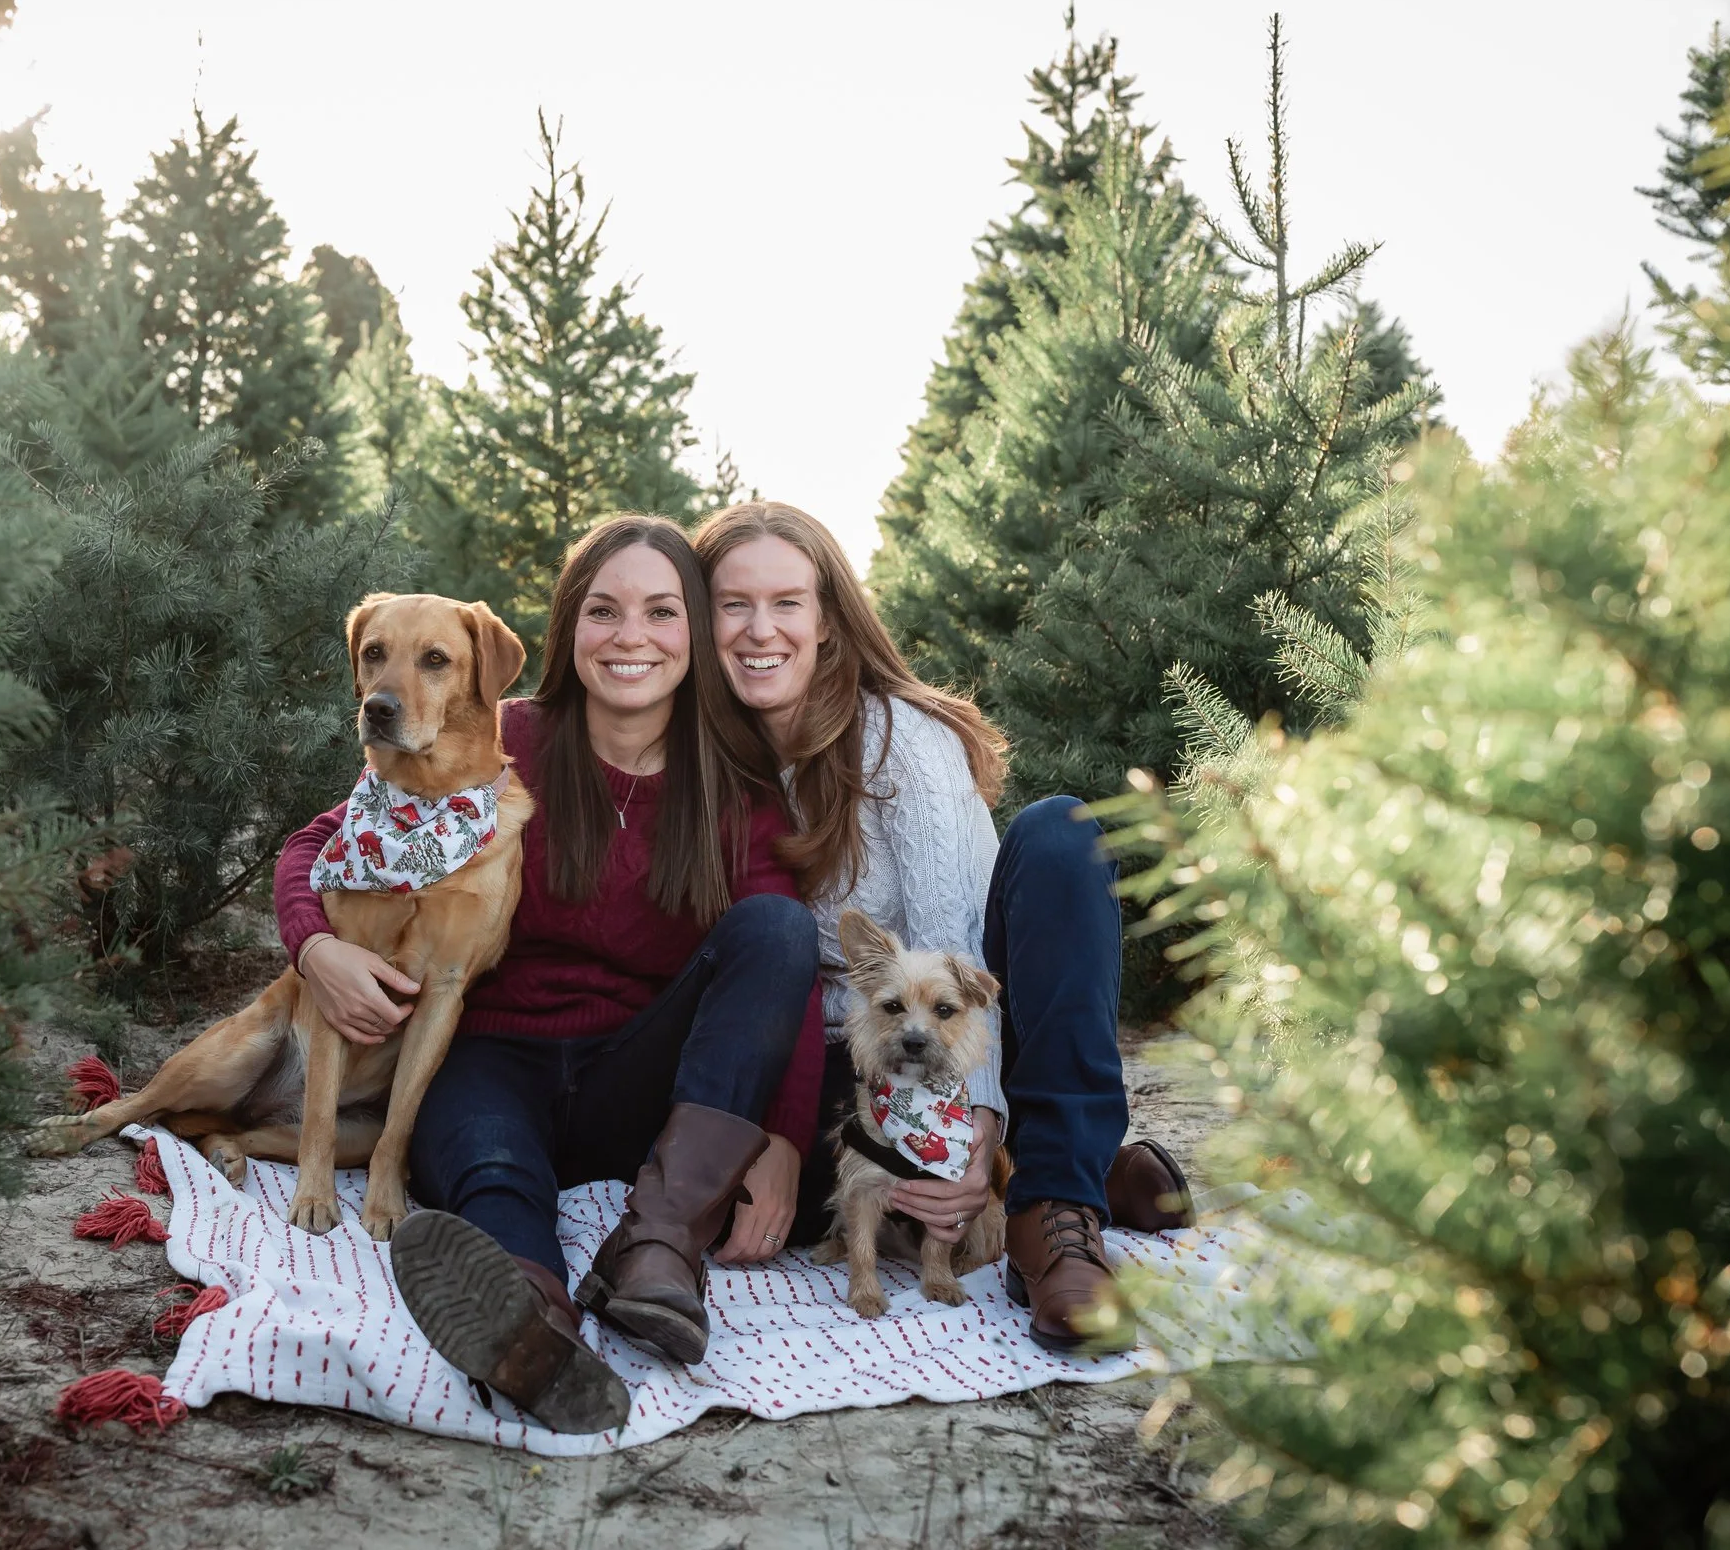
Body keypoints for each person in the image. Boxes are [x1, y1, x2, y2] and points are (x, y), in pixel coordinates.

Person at [269, 516, 822, 1433]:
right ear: (570, 628)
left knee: (777, 925)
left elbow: (787, 971)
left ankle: (658, 1250)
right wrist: (314, 947)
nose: (631, 635)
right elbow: (320, 842)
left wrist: (787, 1137)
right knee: (492, 1165)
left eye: (661, 611)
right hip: (492, 1054)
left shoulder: (731, 786)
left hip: (635, 1078)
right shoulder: (501, 737)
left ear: (693, 631)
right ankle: (530, 1326)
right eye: (604, 611)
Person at [693, 501, 1194, 1355]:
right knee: (803, 1183)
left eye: (786, 602)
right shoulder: (708, 753)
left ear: (828, 618)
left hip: (959, 1035)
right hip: (834, 1072)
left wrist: (977, 1127)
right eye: (733, 603)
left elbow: (956, 944)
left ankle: (1053, 1208)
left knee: (1062, 832)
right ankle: (1080, 1164)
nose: (759, 629)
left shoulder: (896, 739)